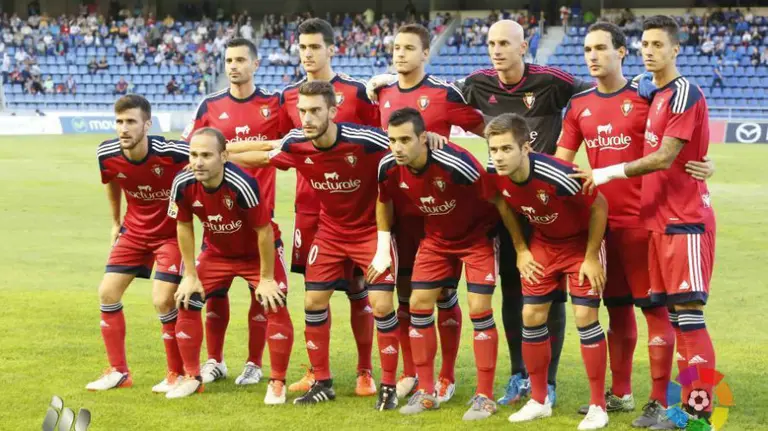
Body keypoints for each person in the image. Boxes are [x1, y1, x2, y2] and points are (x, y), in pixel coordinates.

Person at [367, 20, 594, 406]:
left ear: (523, 47)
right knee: (512, 288)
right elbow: (436, 96)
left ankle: (549, 380)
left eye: (505, 43)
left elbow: (599, 91)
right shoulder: (476, 83)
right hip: (505, 202)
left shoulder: (552, 80)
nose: (496, 49)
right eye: (491, 43)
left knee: (552, 295)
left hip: (546, 200)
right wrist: (391, 78)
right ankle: (519, 375)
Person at [555, 22, 714, 428]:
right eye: (587, 48)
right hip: (606, 225)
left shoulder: (655, 94)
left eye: (601, 48)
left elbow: (671, 152)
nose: (592, 55)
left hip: (659, 221)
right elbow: (563, 161)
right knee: (622, 311)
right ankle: (631, 395)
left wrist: (706, 165)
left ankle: (677, 406)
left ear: (620, 52)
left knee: (670, 316)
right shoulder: (585, 104)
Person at [237, 81, 400, 408]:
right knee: (313, 302)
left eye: (315, 111)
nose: (307, 118)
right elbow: (266, 155)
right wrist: (222, 153)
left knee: (381, 305)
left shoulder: (365, 141)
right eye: (302, 112)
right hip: (329, 232)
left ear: (333, 111)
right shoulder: (297, 142)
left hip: (370, 231)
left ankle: (388, 385)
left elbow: (403, 148)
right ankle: (323, 381)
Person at [374, 23, 486, 402]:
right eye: (396, 46)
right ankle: (410, 371)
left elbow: (488, 126)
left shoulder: (444, 93)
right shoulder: (384, 93)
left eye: (409, 47)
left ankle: (447, 375)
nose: (400, 53)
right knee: (406, 295)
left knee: (444, 295)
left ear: (425, 53)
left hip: (443, 213)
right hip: (403, 212)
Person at [487, 113, 610, 430]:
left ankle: (598, 406)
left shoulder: (559, 174)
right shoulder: (496, 175)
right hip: (544, 243)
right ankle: (539, 401)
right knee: (531, 316)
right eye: (494, 150)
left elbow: (600, 206)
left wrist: (592, 256)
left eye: (505, 149)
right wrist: (521, 249)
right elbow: (502, 203)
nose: (498, 157)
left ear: (525, 148)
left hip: (582, 245)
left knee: (585, 317)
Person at [375, 108, 500, 419]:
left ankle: (484, 396)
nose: (397, 147)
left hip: (477, 238)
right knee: (418, 303)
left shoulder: (456, 163)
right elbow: (383, 201)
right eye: (392, 140)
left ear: (423, 138)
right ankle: (426, 391)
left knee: (479, 308)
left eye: (405, 140)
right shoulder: (388, 167)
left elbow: (495, 198)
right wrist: (382, 248)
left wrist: (516, 246)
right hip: (437, 239)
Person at [181, 38, 290, 388]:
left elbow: (288, 147)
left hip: (260, 221)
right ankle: (214, 361)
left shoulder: (274, 105)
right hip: (218, 223)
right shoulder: (209, 105)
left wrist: (229, 150)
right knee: (212, 295)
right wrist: (259, 148)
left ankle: (254, 364)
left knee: (264, 296)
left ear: (255, 64)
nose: (233, 65)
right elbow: (195, 153)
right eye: (229, 59)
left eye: (241, 59)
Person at [279, 18, 379, 396]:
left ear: (331, 49)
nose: (308, 54)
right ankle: (314, 371)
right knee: (314, 291)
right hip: (310, 208)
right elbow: (279, 145)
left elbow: (382, 141)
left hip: (358, 210)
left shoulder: (356, 91)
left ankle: (365, 371)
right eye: (302, 47)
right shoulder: (289, 95)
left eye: (315, 47)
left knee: (358, 288)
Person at [168, 128, 293, 402]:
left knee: (274, 302)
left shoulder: (243, 184)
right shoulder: (182, 183)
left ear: (224, 156)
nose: (198, 162)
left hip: (258, 253)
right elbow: (184, 226)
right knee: (187, 298)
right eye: (193, 155)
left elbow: (264, 232)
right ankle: (192, 376)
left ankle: (277, 380)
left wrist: (266, 278)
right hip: (217, 253)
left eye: (206, 155)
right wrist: (190, 274)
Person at [86, 95, 189, 394]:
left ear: (147, 124)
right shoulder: (106, 154)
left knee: (163, 300)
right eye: (119, 122)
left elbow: (208, 159)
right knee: (106, 293)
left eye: (130, 121)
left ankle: (177, 373)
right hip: (134, 232)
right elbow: (112, 181)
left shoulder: (172, 152)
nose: (123, 128)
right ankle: (118, 372)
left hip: (170, 234)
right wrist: (116, 222)